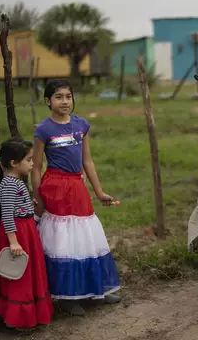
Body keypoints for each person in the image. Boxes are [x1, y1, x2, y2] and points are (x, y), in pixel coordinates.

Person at [32, 79, 121, 317]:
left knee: (86, 239)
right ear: (48, 101)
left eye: (68, 96)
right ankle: (67, 297)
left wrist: (99, 192)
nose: (64, 101)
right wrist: (38, 197)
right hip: (55, 189)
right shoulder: (43, 130)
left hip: (77, 187)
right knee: (63, 242)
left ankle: (97, 290)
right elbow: (36, 167)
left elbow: (87, 161)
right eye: (58, 97)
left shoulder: (81, 126)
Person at [0, 137, 54, 331]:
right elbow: (7, 215)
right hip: (17, 233)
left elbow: (15, 206)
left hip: (26, 229)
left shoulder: (16, 180)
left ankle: (25, 315)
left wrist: (27, 204)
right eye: (29, 160)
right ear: (14, 163)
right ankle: (19, 319)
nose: (33, 163)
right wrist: (13, 242)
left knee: (27, 272)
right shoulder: (8, 184)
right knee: (19, 275)